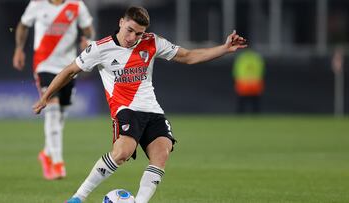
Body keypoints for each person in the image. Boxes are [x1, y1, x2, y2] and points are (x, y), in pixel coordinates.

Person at [32, 6, 247, 203]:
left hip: (152, 110)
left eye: (139, 33)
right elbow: (69, 71)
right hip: (125, 109)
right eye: (130, 30)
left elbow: (189, 56)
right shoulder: (99, 49)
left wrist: (224, 49)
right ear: (121, 22)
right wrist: (45, 97)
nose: (133, 37)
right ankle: (78, 198)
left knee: (162, 152)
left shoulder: (152, 42)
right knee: (122, 152)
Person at [13, 0, 94, 180]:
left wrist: (87, 40)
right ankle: (57, 163)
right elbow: (23, 25)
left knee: (61, 114)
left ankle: (46, 153)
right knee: (52, 108)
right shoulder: (37, 4)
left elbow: (88, 28)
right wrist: (19, 49)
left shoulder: (76, 5)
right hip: (44, 65)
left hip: (68, 66)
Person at [232, 49, 265, 114]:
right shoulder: (256, 58)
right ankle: (256, 118)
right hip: (255, 83)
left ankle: (240, 118)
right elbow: (262, 70)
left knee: (242, 103)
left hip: (243, 83)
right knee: (255, 103)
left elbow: (235, 71)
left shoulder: (241, 58)